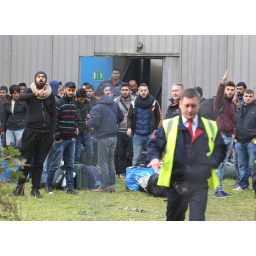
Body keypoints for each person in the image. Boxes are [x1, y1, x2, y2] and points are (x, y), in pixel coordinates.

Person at [147, 88, 226, 221]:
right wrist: (154, 157)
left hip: (199, 184)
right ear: (180, 105)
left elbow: (220, 149)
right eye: (186, 106)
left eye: (193, 106)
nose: (190, 110)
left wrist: (210, 164)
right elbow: (154, 144)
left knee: (197, 220)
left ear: (198, 104)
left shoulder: (210, 126)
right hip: (175, 184)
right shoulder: (168, 125)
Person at [9, 71, 56, 198]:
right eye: (38, 77)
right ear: (35, 79)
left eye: (43, 77)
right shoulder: (29, 91)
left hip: (45, 133)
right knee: (25, 161)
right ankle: (19, 189)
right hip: (30, 131)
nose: (40, 79)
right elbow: (21, 97)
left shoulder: (50, 94)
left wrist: (52, 133)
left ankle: (35, 189)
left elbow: (53, 114)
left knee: (39, 163)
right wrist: (35, 94)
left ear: (45, 80)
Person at [45, 82, 80, 195]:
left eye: (72, 90)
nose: (71, 92)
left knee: (70, 164)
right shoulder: (59, 103)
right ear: (64, 90)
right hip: (60, 140)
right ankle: (48, 185)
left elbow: (75, 121)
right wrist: (58, 136)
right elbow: (53, 122)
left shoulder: (74, 104)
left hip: (71, 140)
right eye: (69, 90)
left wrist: (74, 134)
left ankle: (70, 188)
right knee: (55, 163)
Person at [87, 88, 124, 192]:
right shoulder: (114, 104)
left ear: (97, 96)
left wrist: (87, 123)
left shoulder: (97, 107)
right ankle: (112, 186)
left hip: (103, 136)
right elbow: (121, 117)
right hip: (113, 136)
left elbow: (95, 122)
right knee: (110, 162)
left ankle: (104, 186)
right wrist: (112, 122)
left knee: (103, 162)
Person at [213, 70, 236, 198]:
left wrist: (233, 133)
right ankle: (217, 191)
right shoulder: (219, 101)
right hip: (220, 135)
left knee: (222, 164)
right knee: (218, 164)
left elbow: (233, 120)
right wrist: (223, 81)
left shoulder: (232, 105)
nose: (230, 91)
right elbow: (219, 92)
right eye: (228, 89)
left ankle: (220, 189)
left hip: (229, 136)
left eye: (232, 90)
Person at [127, 83, 162, 166]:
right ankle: (134, 177)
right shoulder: (133, 103)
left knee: (152, 157)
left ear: (148, 91)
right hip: (137, 135)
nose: (143, 92)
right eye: (141, 90)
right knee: (136, 157)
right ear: (139, 91)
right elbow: (129, 117)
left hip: (150, 134)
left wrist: (156, 129)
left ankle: (151, 177)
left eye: (145, 90)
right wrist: (129, 127)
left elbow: (159, 117)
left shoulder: (154, 103)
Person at [234, 89, 256, 191]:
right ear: (243, 97)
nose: (248, 98)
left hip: (252, 142)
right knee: (242, 165)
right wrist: (234, 136)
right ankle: (243, 185)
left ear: (253, 97)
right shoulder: (238, 107)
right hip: (239, 141)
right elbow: (234, 122)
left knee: (253, 165)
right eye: (246, 96)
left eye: (250, 96)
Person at [114, 83, 137, 180]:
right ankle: (123, 173)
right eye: (123, 90)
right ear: (120, 91)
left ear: (130, 91)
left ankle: (131, 172)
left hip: (131, 131)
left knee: (132, 153)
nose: (124, 91)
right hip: (119, 131)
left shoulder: (135, 101)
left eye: (126, 90)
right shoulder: (116, 101)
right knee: (121, 154)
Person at [74, 88, 94, 166]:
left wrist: (90, 117)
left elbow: (92, 114)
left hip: (86, 132)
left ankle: (86, 170)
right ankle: (76, 172)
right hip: (77, 133)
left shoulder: (88, 103)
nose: (82, 101)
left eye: (84, 99)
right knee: (76, 156)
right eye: (80, 99)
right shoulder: (72, 104)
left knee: (90, 154)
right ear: (76, 97)